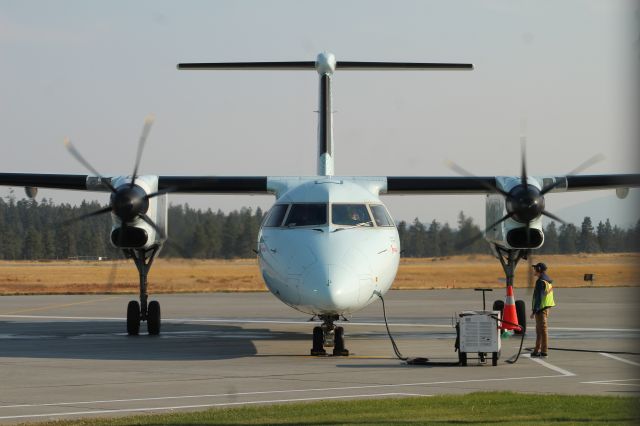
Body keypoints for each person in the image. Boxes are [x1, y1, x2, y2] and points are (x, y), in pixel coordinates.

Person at [530, 262, 556, 358]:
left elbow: (539, 297)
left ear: (539, 270)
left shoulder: (540, 282)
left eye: (535, 268)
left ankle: (544, 351)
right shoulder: (547, 280)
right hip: (545, 308)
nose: (534, 270)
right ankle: (537, 350)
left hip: (541, 309)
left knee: (542, 330)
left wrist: (534, 311)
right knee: (539, 330)